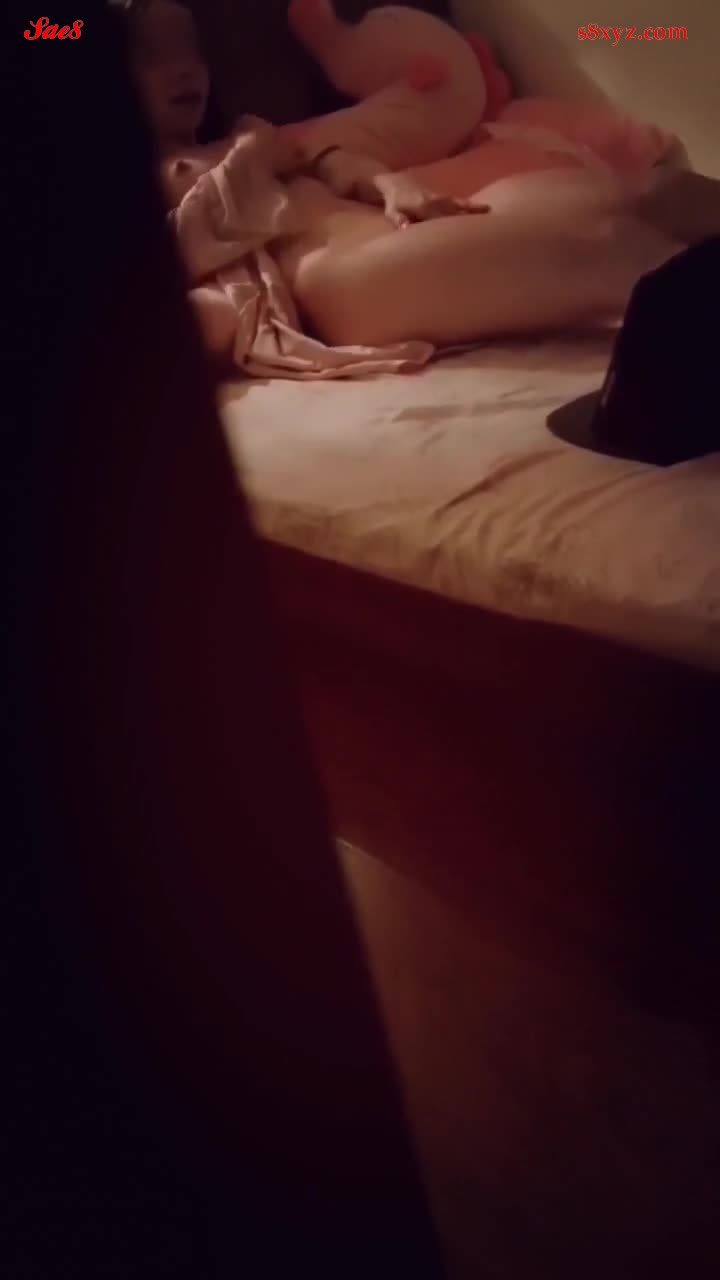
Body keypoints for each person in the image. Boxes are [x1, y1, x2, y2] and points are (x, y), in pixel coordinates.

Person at [116, 0, 718, 357]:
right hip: (340, 278)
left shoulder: (247, 135)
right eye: (153, 54)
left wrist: (386, 184)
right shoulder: (112, 191)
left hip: (398, 224)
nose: (184, 70)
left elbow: (327, 160)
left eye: (190, 50)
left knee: (652, 193)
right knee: (617, 250)